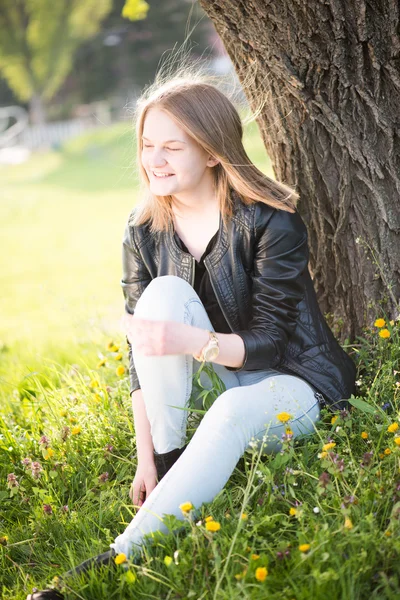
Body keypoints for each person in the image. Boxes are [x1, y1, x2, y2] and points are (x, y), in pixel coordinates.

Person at [27, 74, 356, 599]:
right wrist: (144, 459)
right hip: (220, 373)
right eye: (147, 145)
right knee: (158, 297)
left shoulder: (272, 221)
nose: (154, 159)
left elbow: (272, 341)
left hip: (296, 382)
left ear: (210, 152)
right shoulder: (142, 229)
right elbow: (143, 350)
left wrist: (188, 343)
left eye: (171, 147)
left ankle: (114, 559)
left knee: (229, 411)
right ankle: (170, 464)